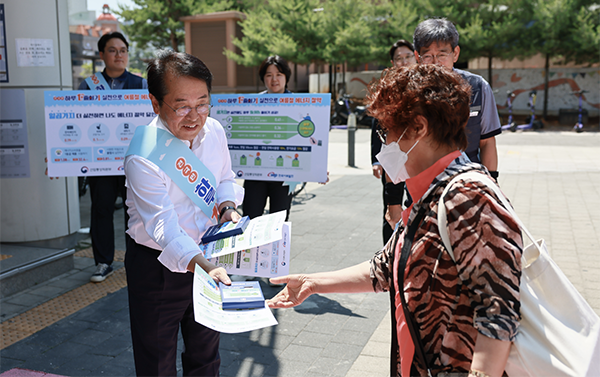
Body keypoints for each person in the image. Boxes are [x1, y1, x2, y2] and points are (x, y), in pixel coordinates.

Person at [268, 64, 522, 377]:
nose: (384, 144)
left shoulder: (469, 196)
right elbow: (386, 267)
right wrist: (313, 283)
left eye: (387, 131)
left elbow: (499, 314)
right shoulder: (429, 191)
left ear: (418, 127)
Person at [124, 50, 242, 377]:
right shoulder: (143, 155)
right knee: (157, 362)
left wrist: (228, 207)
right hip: (157, 267)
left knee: (206, 356)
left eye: (202, 103)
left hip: (207, 255)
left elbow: (225, 178)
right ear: (155, 103)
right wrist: (204, 267)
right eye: (182, 106)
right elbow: (163, 227)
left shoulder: (214, 130)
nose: (195, 116)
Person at [78, 32, 148, 283]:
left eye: (123, 50)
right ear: (101, 55)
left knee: (136, 214)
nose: (119, 55)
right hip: (102, 163)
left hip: (134, 163)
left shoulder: (141, 85)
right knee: (101, 211)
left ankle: (136, 261)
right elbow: (75, 123)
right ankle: (103, 262)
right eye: (112, 50)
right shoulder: (89, 85)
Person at [412, 18, 501, 175]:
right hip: (424, 184)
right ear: (418, 57)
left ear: (456, 54)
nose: (435, 63)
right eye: (428, 56)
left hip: (469, 181)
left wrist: (492, 180)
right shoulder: (409, 92)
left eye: (442, 54)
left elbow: (487, 142)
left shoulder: (479, 87)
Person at [371, 39, 417, 245]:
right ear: (392, 63)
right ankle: (389, 253)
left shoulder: (425, 86)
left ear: (416, 57)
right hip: (393, 159)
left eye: (408, 56)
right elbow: (378, 128)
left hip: (419, 159)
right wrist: (376, 160)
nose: (404, 61)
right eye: (399, 58)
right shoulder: (387, 89)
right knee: (392, 207)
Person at [242, 55, 294, 221]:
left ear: (286, 77)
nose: (274, 79)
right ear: (263, 78)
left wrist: (318, 169)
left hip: (286, 175)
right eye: (269, 75)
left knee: (279, 223)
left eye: (279, 74)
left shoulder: (302, 104)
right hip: (255, 173)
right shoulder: (252, 105)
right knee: (249, 220)